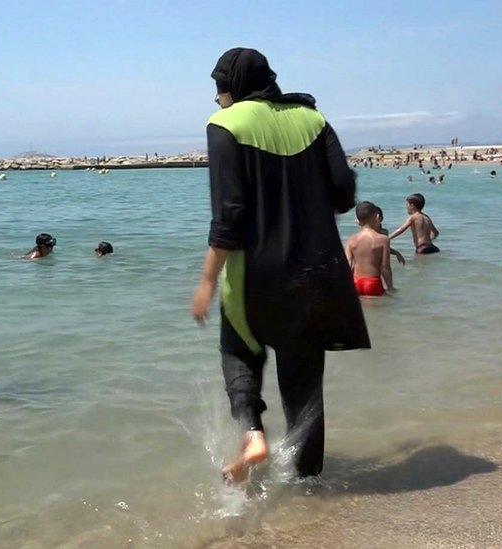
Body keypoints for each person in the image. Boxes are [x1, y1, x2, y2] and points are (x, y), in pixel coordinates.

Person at [191, 47, 369, 484]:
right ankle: (310, 489)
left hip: (254, 277)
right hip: (317, 275)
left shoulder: (225, 125)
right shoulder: (313, 119)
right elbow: (345, 192)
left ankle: (253, 433)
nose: (217, 100)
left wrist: (207, 281)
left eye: (219, 91)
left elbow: (229, 215)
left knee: (238, 350)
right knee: (305, 385)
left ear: (230, 88)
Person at [345, 202, 393, 296]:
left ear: (357, 220)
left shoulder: (351, 240)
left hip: (356, 283)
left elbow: (349, 265)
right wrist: (390, 288)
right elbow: (385, 268)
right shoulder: (383, 239)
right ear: (377, 217)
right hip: (373, 283)